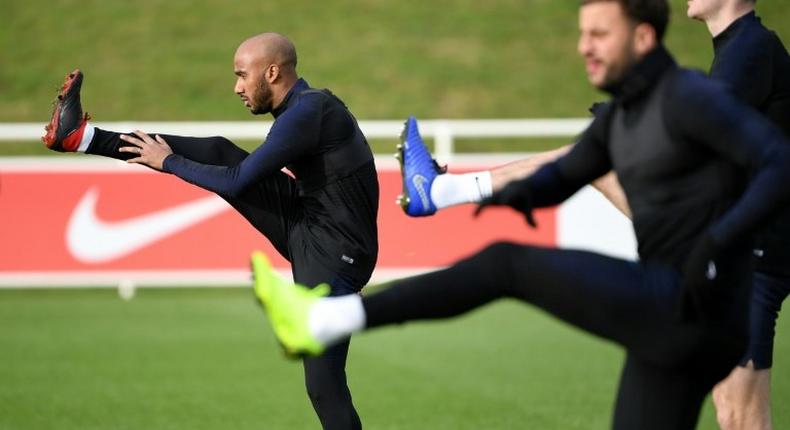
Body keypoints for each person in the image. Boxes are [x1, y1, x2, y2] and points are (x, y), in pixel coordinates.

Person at [249, 1, 790, 428]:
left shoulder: (691, 95)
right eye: (581, 34)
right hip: (670, 309)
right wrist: (475, 196)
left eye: (598, 35)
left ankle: (326, 318)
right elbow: (556, 177)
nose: (583, 48)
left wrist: (720, 240)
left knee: (506, 266)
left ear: (643, 38)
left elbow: (776, 162)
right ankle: (425, 204)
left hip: (708, 296)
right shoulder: (626, 117)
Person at [42, 33, 378, 430]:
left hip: (335, 255)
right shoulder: (304, 109)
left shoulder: (310, 111)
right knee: (219, 149)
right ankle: (82, 137)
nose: (236, 87)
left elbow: (238, 181)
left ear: (272, 72)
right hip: (310, 224)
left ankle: (85, 139)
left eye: (241, 75)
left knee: (325, 388)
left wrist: (167, 162)